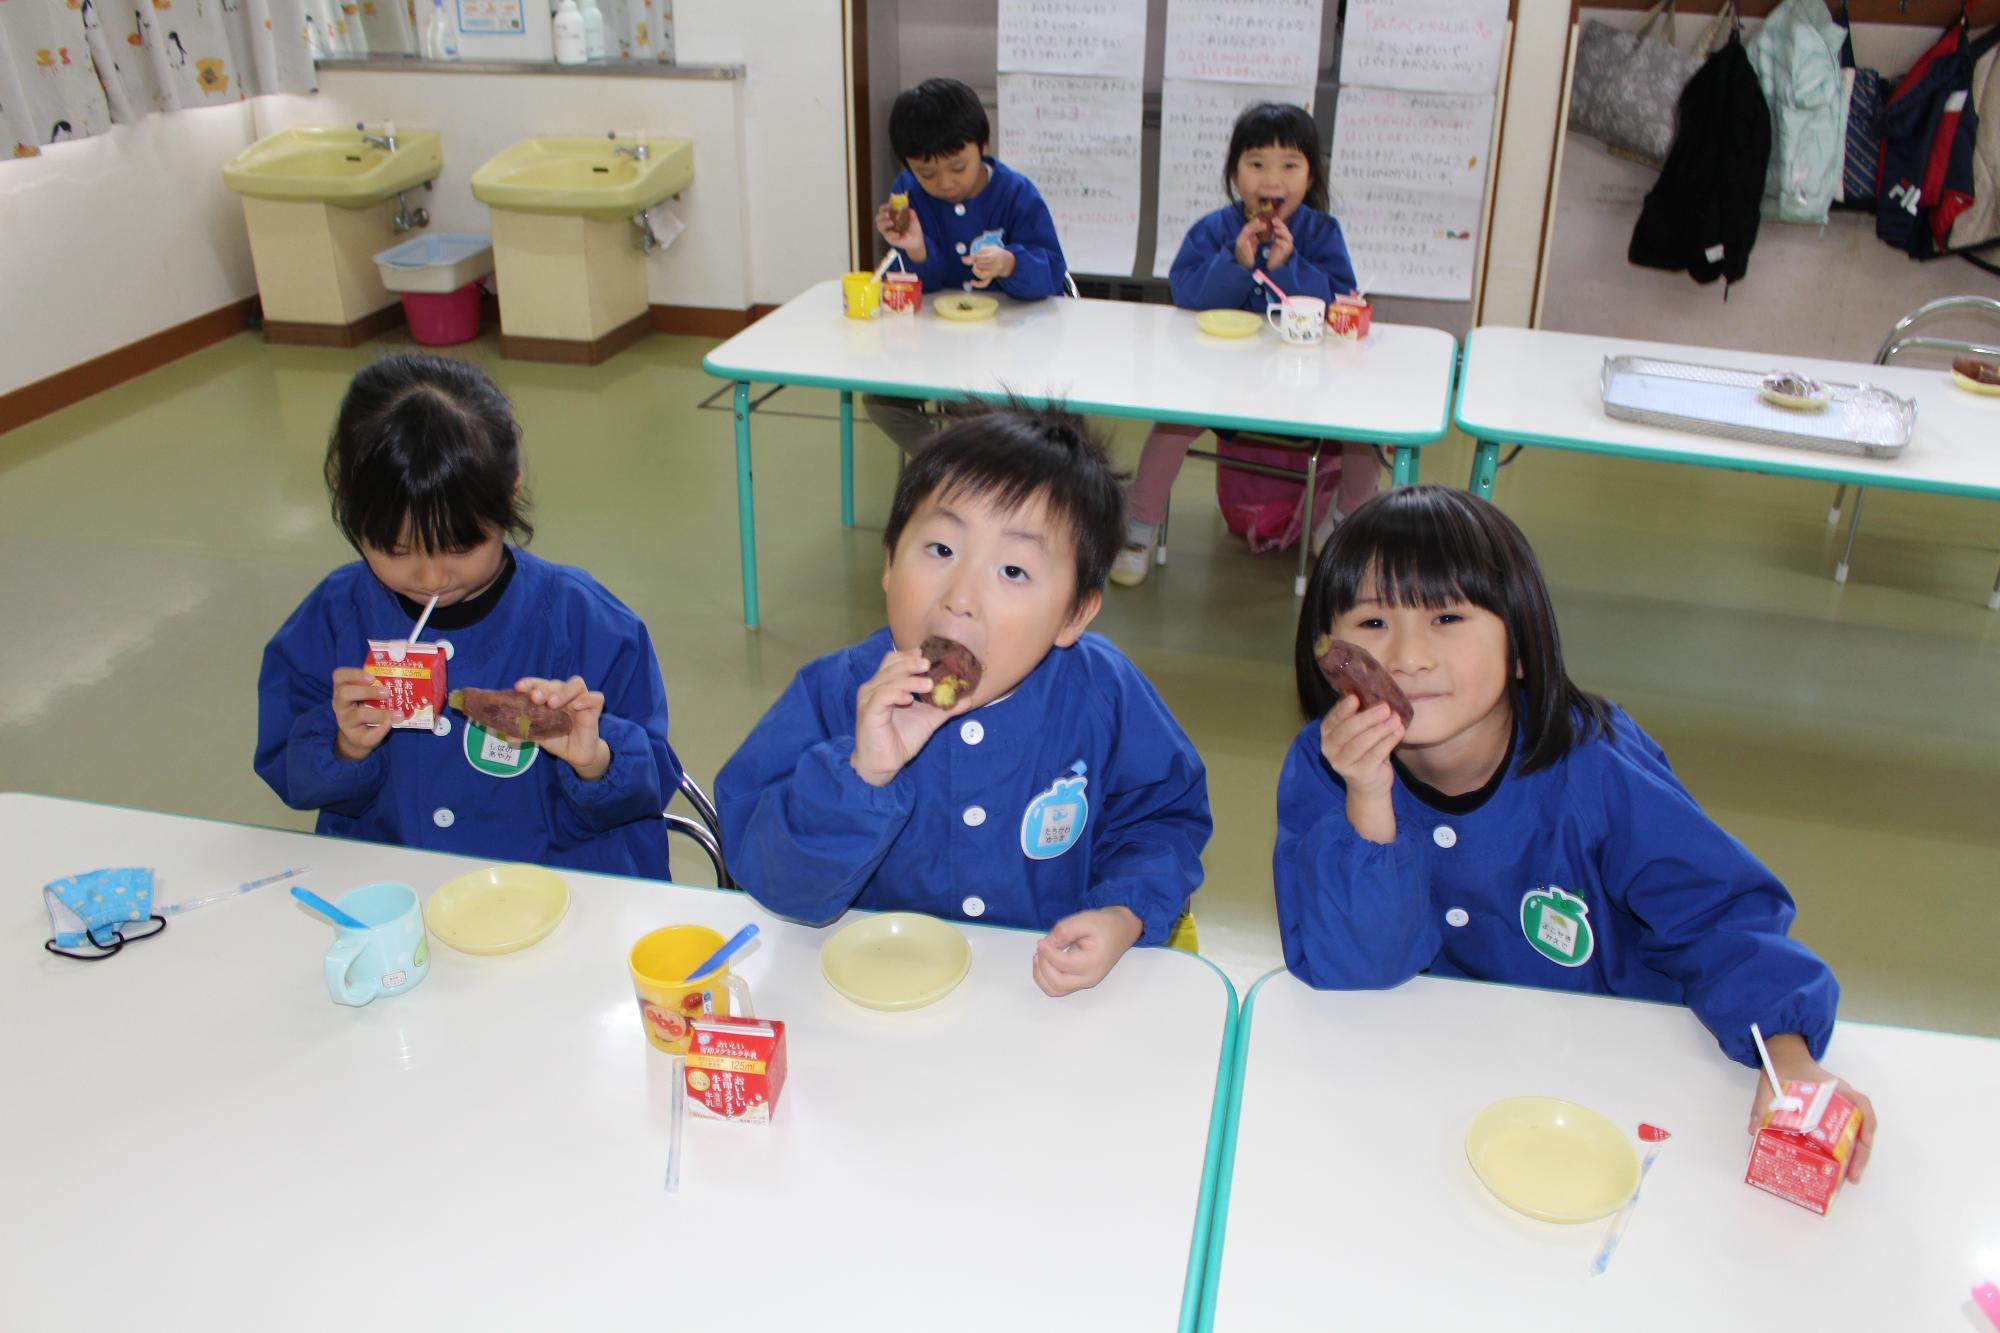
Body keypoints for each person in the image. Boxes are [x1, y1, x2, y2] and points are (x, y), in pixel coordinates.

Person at [1274, 485, 1875, 1178]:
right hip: (1431, 1079)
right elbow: (1354, 974)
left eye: (1446, 615)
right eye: (1373, 622)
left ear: (1522, 647)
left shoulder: (1596, 765)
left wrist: (1789, 1057)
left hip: (1611, 1084)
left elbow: (1719, 915)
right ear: (1329, 653)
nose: (1408, 655)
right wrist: (1370, 798)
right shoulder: (1328, 768)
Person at [717, 405, 1210, 996]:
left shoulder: (1102, 694)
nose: (962, 598)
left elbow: (1163, 819)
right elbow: (771, 879)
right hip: (878, 999)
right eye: (941, 551)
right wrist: (861, 776)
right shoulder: (834, 694)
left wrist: (1123, 911)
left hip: (1040, 1001)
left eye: (1013, 570)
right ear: (889, 562)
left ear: (1073, 614)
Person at [255, 352, 680, 878]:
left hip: (555, 892)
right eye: (396, 548)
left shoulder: (587, 623)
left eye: (459, 546)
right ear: (350, 504)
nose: (432, 577)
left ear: (509, 493)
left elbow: (653, 784)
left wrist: (594, 759)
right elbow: (287, 768)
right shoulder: (333, 620)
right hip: (397, 890)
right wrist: (344, 747)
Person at [1113, 102, 1376, 586]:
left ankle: (1345, 520)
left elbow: (1340, 304)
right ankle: (1139, 525)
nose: (1271, 181)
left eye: (1290, 166)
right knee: (1172, 425)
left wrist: (1286, 266)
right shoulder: (1215, 229)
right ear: (1234, 173)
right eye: (1256, 164)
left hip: (1303, 381)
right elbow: (1186, 293)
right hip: (1220, 378)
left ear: (1311, 175)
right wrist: (1236, 262)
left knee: (1365, 431)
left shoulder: (1321, 232)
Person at [864, 77, 1069, 455]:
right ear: (906, 164)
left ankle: (963, 464)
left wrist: (1010, 263)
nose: (944, 183)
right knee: (881, 400)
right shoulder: (906, 193)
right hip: (938, 343)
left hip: (1012, 345)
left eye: (958, 167)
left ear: (984, 146)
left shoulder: (1016, 193)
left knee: (976, 408)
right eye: (926, 173)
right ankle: (951, 462)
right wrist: (917, 250)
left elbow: (1053, 271)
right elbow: (913, 290)